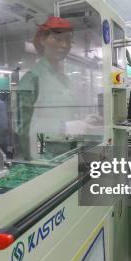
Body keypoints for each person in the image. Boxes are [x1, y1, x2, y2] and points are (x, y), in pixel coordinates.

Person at [16, 16, 79, 161]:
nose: (64, 45)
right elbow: (24, 129)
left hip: (68, 153)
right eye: (58, 39)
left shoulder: (65, 80)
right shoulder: (32, 79)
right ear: (42, 40)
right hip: (45, 159)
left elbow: (66, 115)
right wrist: (36, 161)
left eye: (68, 40)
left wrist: (82, 122)